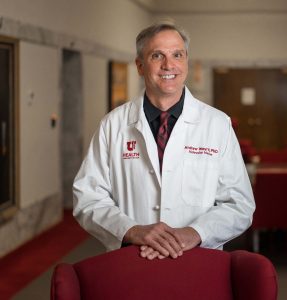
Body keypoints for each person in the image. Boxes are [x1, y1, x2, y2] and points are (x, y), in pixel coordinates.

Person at [73, 23, 255, 260]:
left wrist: (194, 233)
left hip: (198, 260)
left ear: (186, 61)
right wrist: (133, 230)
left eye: (177, 55)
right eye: (157, 55)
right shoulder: (113, 125)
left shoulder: (217, 124)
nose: (169, 65)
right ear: (140, 65)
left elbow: (239, 204)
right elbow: (87, 198)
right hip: (132, 259)